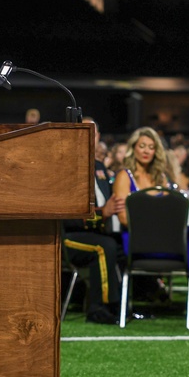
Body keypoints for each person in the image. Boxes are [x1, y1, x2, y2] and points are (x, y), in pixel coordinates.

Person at [113, 127, 189, 327]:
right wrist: (158, 219)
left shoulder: (161, 178)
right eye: (142, 146)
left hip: (167, 239)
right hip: (139, 241)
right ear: (133, 148)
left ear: (156, 152)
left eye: (151, 147)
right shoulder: (124, 177)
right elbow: (124, 218)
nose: (146, 151)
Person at [63, 118, 124, 325]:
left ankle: (130, 304)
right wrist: (102, 214)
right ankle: (102, 308)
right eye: (83, 130)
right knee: (104, 247)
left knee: (125, 244)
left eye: (94, 132)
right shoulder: (64, 165)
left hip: (98, 232)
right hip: (66, 236)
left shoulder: (100, 167)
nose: (90, 136)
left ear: (99, 138)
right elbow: (67, 213)